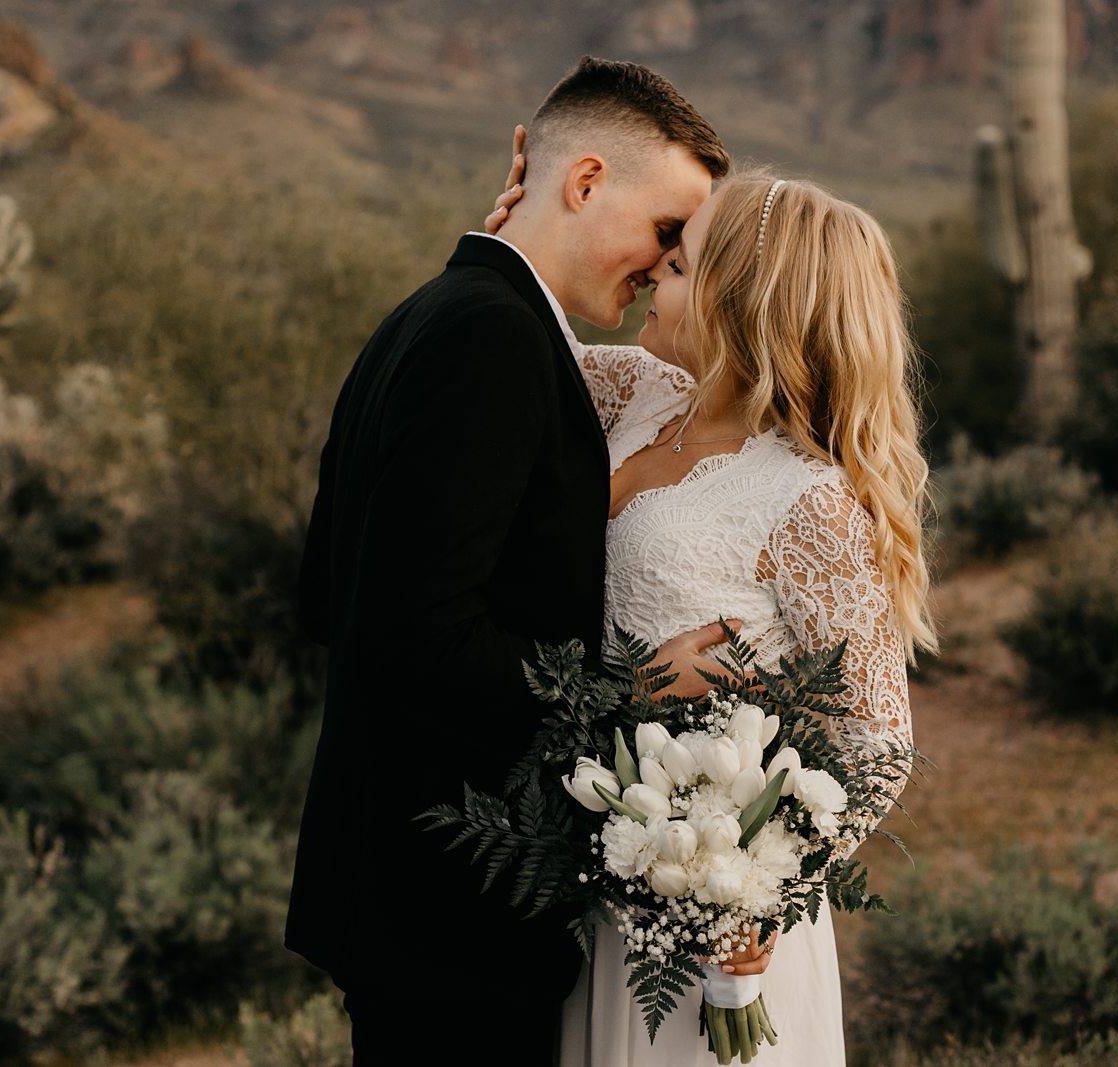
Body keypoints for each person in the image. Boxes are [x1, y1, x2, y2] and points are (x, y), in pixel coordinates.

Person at [286, 57, 734, 1065]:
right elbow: (418, 633)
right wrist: (632, 692)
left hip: (407, 885)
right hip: (452, 901)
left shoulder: (438, 315)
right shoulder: (491, 338)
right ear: (583, 183)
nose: (665, 267)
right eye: (666, 231)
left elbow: (326, 595)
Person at [487, 161, 939, 1064]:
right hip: (608, 879)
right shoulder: (635, 393)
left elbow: (878, 740)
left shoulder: (806, 499)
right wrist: (512, 242)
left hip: (710, 922)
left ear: (743, 304)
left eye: (681, 264)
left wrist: (756, 888)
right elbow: (508, 349)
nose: (656, 273)